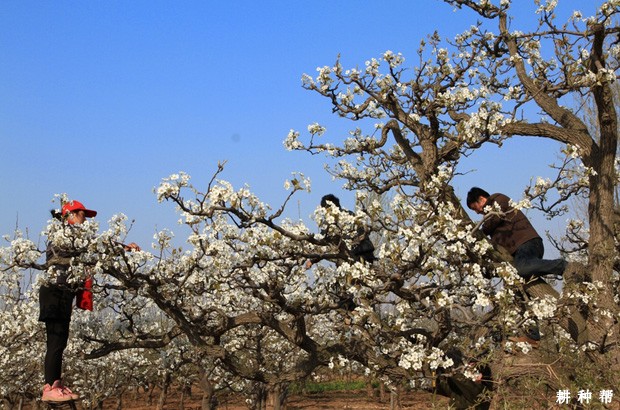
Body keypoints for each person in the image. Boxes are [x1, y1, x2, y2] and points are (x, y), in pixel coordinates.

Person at [40, 199, 140, 402]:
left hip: (63, 292)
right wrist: (122, 249)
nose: (86, 221)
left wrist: (124, 248)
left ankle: (56, 383)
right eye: (83, 216)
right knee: (56, 340)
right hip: (55, 292)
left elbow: (96, 245)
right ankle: (49, 387)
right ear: (71, 215)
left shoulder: (74, 237)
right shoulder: (64, 236)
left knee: (60, 341)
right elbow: (95, 247)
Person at [466, 187, 566, 279]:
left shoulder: (498, 199)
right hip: (518, 252)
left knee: (522, 269)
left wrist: (476, 232)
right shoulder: (491, 217)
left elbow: (492, 221)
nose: (477, 212)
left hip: (527, 243)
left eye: (475, 208)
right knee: (519, 279)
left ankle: (561, 266)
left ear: (481, 199)